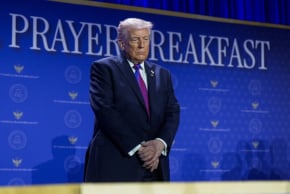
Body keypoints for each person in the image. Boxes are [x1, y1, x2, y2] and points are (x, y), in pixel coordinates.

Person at [84, 18, 180, 182]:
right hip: (117, 162)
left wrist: (160, 143)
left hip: (155, 165)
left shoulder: (162, 74)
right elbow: (105, 110)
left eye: (146, 39)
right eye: (135, 39)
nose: (142, 45)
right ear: (122, 43)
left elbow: (172, 112)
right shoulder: (104, 68)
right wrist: (139, 148)